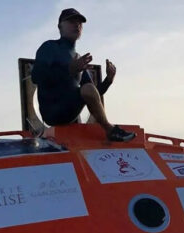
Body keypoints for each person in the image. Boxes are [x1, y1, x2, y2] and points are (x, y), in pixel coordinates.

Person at [32, 8, 135, 142]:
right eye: (71, 21)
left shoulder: (77, 58)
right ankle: (110, 130)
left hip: (70, 112)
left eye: (80, 22)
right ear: (60, 26)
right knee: (86, 88)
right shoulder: (49, 47)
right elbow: (36, 77)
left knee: (88, 88)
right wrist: (68, 71)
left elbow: (92, 94)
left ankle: (110, 130)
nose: (77, 25)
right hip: (52, 112)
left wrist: (108, 80)